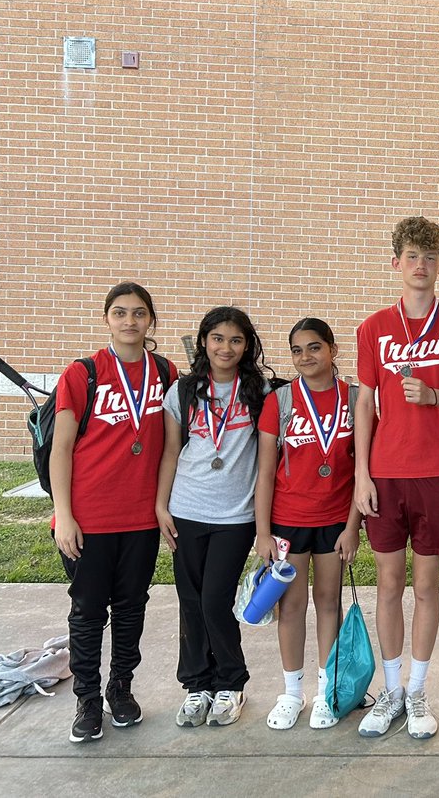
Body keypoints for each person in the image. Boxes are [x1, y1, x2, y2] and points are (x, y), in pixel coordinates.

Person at [353, 216, 439, 739]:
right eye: (412, 257)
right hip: (386, 474)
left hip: (436, 473)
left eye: (430, 259)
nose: (421, 266)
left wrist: (435, 396)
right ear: (397, 264)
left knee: (427, 586)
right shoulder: (373, 328)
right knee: (388, 584)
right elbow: (365, 403)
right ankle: (391, 692)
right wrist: (361, 474)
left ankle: (417, 691)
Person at [50, 282, 177, 743]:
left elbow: (168, 449)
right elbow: (61, 449)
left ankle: (120, 689)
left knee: (130, 609)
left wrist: (162, 505)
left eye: (139, 313)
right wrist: (64, 515)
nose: (130, 321)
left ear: (150, 321)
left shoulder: (166, 373)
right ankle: (86, 699)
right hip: (88, 519)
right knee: (87, 612)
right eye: (120, 313)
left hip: (141, 518)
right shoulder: (83, 373)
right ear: (107, 319)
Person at [156, 306, 272, 729]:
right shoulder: (183, 392)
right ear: (204, 341)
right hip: (187, 508)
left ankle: (231, 681)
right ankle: (196, 685)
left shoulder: (260, 392)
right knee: (190, 600)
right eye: (218, 338)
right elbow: (171, 452)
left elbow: (268, 459)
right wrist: (160, 506)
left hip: (236, 514)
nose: (226, 347)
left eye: (236, 340)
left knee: (215, 600)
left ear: (247, 346)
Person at [254, 318, 362, 731]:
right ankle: (291, 693)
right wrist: (263, 532)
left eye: (314, 347)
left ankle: (325, 690)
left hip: (335, 520)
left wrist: (353, 526)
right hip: (287, 521)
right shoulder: (279, 402)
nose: (305, 357)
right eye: (297, 350)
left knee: (328, 602)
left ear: (333, 350)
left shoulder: (354, 400)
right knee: (291, 606)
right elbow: (265, 472)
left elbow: (362, 471)